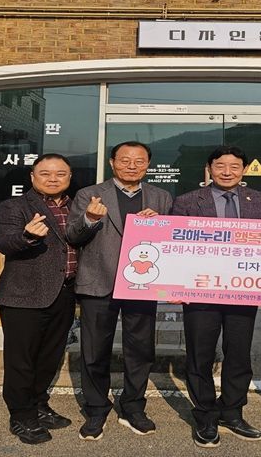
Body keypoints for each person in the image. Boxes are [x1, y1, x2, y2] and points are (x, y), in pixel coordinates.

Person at [171, 145, 261, 448]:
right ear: (209, 169)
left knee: (238, 354)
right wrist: (174, 284)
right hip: (200, 290)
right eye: (220, 166)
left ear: (244, 170)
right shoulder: (187, 200)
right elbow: (173, 244)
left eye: (234, 166)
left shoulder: (259, 199)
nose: (227, 172)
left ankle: (232, 412)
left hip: (242, 290)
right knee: (199, 355)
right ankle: (205, 415)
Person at [66, 141, 172, 441]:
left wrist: (161, 226)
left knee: (140, 350)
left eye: (139, 161)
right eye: (125, 160)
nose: (132, 166)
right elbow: (72, 235)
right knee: (94, 351)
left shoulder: (161, 197)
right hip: (98, 281)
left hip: (142, 283)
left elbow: (171, 242)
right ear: (112, 163)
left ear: (148, 164)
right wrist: (90, 219)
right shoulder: (89, 194)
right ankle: (96, 408)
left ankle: (133, 406)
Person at [0, 153, 76, 445]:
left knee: (49, 358)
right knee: (21, 361)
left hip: (64, 294)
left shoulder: (76, 206)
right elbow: (4, 243)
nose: (53, 179)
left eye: (60, 174)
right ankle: (21, 416)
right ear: (32, 176)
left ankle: (39, 405)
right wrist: (27, 236)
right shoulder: (14, 206)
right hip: (23, 295)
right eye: (45, 173)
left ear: (69, 177)